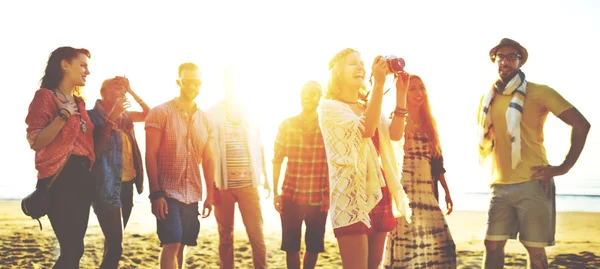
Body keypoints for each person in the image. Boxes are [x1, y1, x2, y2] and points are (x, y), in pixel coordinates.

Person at [479, 38, 591, 269]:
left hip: (533, 182)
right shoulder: (488, 98)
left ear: (520, 62)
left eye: (511, 56)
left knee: (534, 248)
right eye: (500, 56)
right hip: (499, 184)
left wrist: (563, 167)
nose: (505, 61)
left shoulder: (539, 92)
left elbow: (581, 124)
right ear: (494, 60)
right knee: (491, 244)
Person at [318, 48, 412, 269]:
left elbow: (395, 134)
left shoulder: (367, 106)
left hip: (380, 193)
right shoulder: (329, 108)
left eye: (362, 63)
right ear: (337, 73)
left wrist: (401, 94)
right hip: (352, 198)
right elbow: (367, 130)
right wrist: (378, 85)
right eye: (352, 64)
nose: (360, 67)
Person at [25, 46, 95, 269]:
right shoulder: (45, 97)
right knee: (72, 249)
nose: (88, 71)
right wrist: (63, 115)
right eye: (82, 65)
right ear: (65, 65)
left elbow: (87, 145)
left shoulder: (79, 102)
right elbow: (35, 141)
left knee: (77, 249)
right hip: (59, 178)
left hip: (83, 178)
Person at [145, 62, 215, 269]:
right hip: (167, 192)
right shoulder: (160, 112)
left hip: (192, 193)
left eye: (197, 82)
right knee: (171, 242)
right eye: (188, 81)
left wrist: (209, 195)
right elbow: (150, 154)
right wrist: (156, 194)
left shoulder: (206, 120)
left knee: (181, 244)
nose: (193, 86)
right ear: (179, 82)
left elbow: (209, 159)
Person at [384, 75, 457, 268]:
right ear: (404, 93)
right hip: (403, 195)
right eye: (413, 89)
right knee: (405, 250)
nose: (418, 93)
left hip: (427, 194)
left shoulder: (430, 123)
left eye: (421, 88)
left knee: (445, 246)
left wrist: (447, 191)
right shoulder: (396, 120)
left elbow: (437, 162)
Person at [207, 65, 270, 269]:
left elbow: (260, 146)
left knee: (256, 235)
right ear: (224, 83)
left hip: (249, 185)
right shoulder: (212, 113)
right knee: (225, 237)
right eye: (229, 80)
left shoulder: (251, 111)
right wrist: (210, 188)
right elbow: (206, 154)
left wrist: (267, 179)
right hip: (222, 186)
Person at [88, 76, 150, 268]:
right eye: (117, 89)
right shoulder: (91, 116)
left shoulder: (125, 116)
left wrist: (131, 91)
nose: (121, 93)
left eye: (124, 91)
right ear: (103, 92)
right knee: (116, 245)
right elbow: (95, 151)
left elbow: (149, 114)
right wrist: (110, 118)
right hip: (105, 189)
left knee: (113, 242)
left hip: (126, 186)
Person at [272, 81, 330, 269]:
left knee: (314, 246)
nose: (308, 96)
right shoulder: (287, 125)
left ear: (319, 97)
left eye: (313, 93)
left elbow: (333, 164)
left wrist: (329, 194)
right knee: (291, 246)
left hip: (318, 198)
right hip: (290, 195)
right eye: (305, 92)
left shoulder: (327, 127)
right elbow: (277, 159)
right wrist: (275, 192)